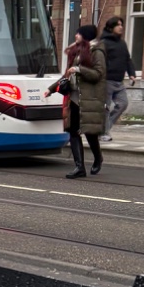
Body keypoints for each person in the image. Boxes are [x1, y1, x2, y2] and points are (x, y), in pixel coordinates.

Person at [46, 24, 107, 179]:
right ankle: (79, 167)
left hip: (88, 100)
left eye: (79, 33)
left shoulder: (97, 52)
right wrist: (51, 89)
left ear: (86, 35)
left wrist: (80, 70)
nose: (76, 35)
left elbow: (98, 74)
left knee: (90, 133)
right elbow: (67, 75)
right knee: (73, 132)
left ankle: (98, 158)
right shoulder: (77, 51)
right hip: (73, 98)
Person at [99, 15, 137, 140]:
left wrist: (132, 74)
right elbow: (99, 61)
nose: (121, 27)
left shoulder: (122, 43)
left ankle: (104, 128)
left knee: (123, 104)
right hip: (106, 80)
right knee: (105, 108)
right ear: (111, 28)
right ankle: (103, 133)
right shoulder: (103, 43)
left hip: (119, 81)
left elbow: (127, 59)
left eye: (122, 25)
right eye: (118, 25)